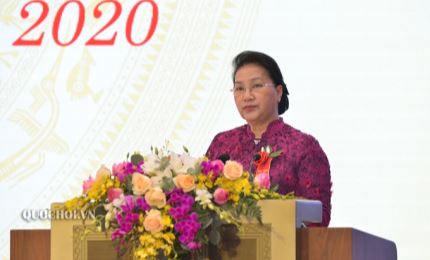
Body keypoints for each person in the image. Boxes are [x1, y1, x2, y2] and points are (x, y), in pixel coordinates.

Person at [206, 50, 332, 226]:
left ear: (279, 92)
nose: (247, 96)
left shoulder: (303, 146)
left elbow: (318, 217)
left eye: (256, 86)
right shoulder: (222, 143)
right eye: (239, 88)